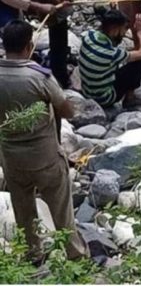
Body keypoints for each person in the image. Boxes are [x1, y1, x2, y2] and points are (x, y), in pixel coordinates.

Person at [0, 20, 89, 264]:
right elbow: (66, 110)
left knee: (23, 210)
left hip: (11, 158)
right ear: (29, 46)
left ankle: (32, 254)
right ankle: (76, 256)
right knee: (61, 209)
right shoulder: (39, 76)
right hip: (45, 156)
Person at [78, 9, 141, 109]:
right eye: (125, 28)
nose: (125, 33)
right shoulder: (111, 54)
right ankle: (130, 99)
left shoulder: (89, 36)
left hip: (87, 91)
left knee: (127, 58)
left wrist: (113, 9)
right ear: (115, 29)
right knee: (139, 61)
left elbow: (114, 43)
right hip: (104, 98)